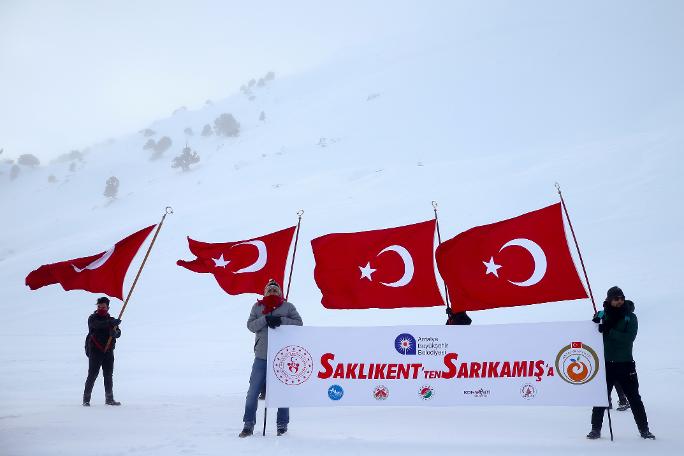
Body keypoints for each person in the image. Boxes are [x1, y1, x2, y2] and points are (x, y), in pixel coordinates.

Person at [587, 287, 655, 440]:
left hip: (625, 364)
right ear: (609, 300)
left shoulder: (630, 317)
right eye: (616, 299)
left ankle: (644, 430)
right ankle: (595, 429)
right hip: (606, 365)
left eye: (621, 298)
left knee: (634, 399)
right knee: (600, 398)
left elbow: (629, 338)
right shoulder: (602, 314)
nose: (619, 301)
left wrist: (609, 331)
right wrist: (595, 323)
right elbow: (591, 335)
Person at [239, 279, 303, 437]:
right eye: (270, 290)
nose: (273, 292)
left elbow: (299, 324)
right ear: (265, 292)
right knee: (252, 392)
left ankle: (282, 425)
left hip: (281, 358)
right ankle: (248, 425)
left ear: (280, 292)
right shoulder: (257, 307)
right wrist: (265, 319)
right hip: (261, 356)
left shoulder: (288, 307)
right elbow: (250, 326)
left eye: (275, 290)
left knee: (283, 392)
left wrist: (281, 321)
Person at [83, 296, 122, 406]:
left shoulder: (111, 320)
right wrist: (111, 324)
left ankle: (109, 399)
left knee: (108, 375)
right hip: (95, 351)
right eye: (99, 306)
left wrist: (115, 333)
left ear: (108, 308)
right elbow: (96, 325)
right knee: (92, 375)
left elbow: (118, 333)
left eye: (104, 307)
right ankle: (86, 399)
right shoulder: (92, 318)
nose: (101, 308)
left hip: (108, 351)